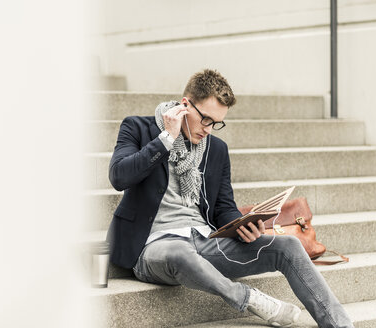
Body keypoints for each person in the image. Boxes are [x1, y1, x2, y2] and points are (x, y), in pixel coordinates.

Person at [106, 69, 354, 328]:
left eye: (216, 123)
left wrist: (243, 225)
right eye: (205, 120)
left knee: (289, 246)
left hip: (204, 240)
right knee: (181, 251)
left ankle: (339, 324)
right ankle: (249, 299)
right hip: (155, 247)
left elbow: (223, 207)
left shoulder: (217, 149)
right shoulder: (137, 128)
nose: (209, 130)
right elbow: (119, 177)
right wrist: (166, 138)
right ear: (184, 105)